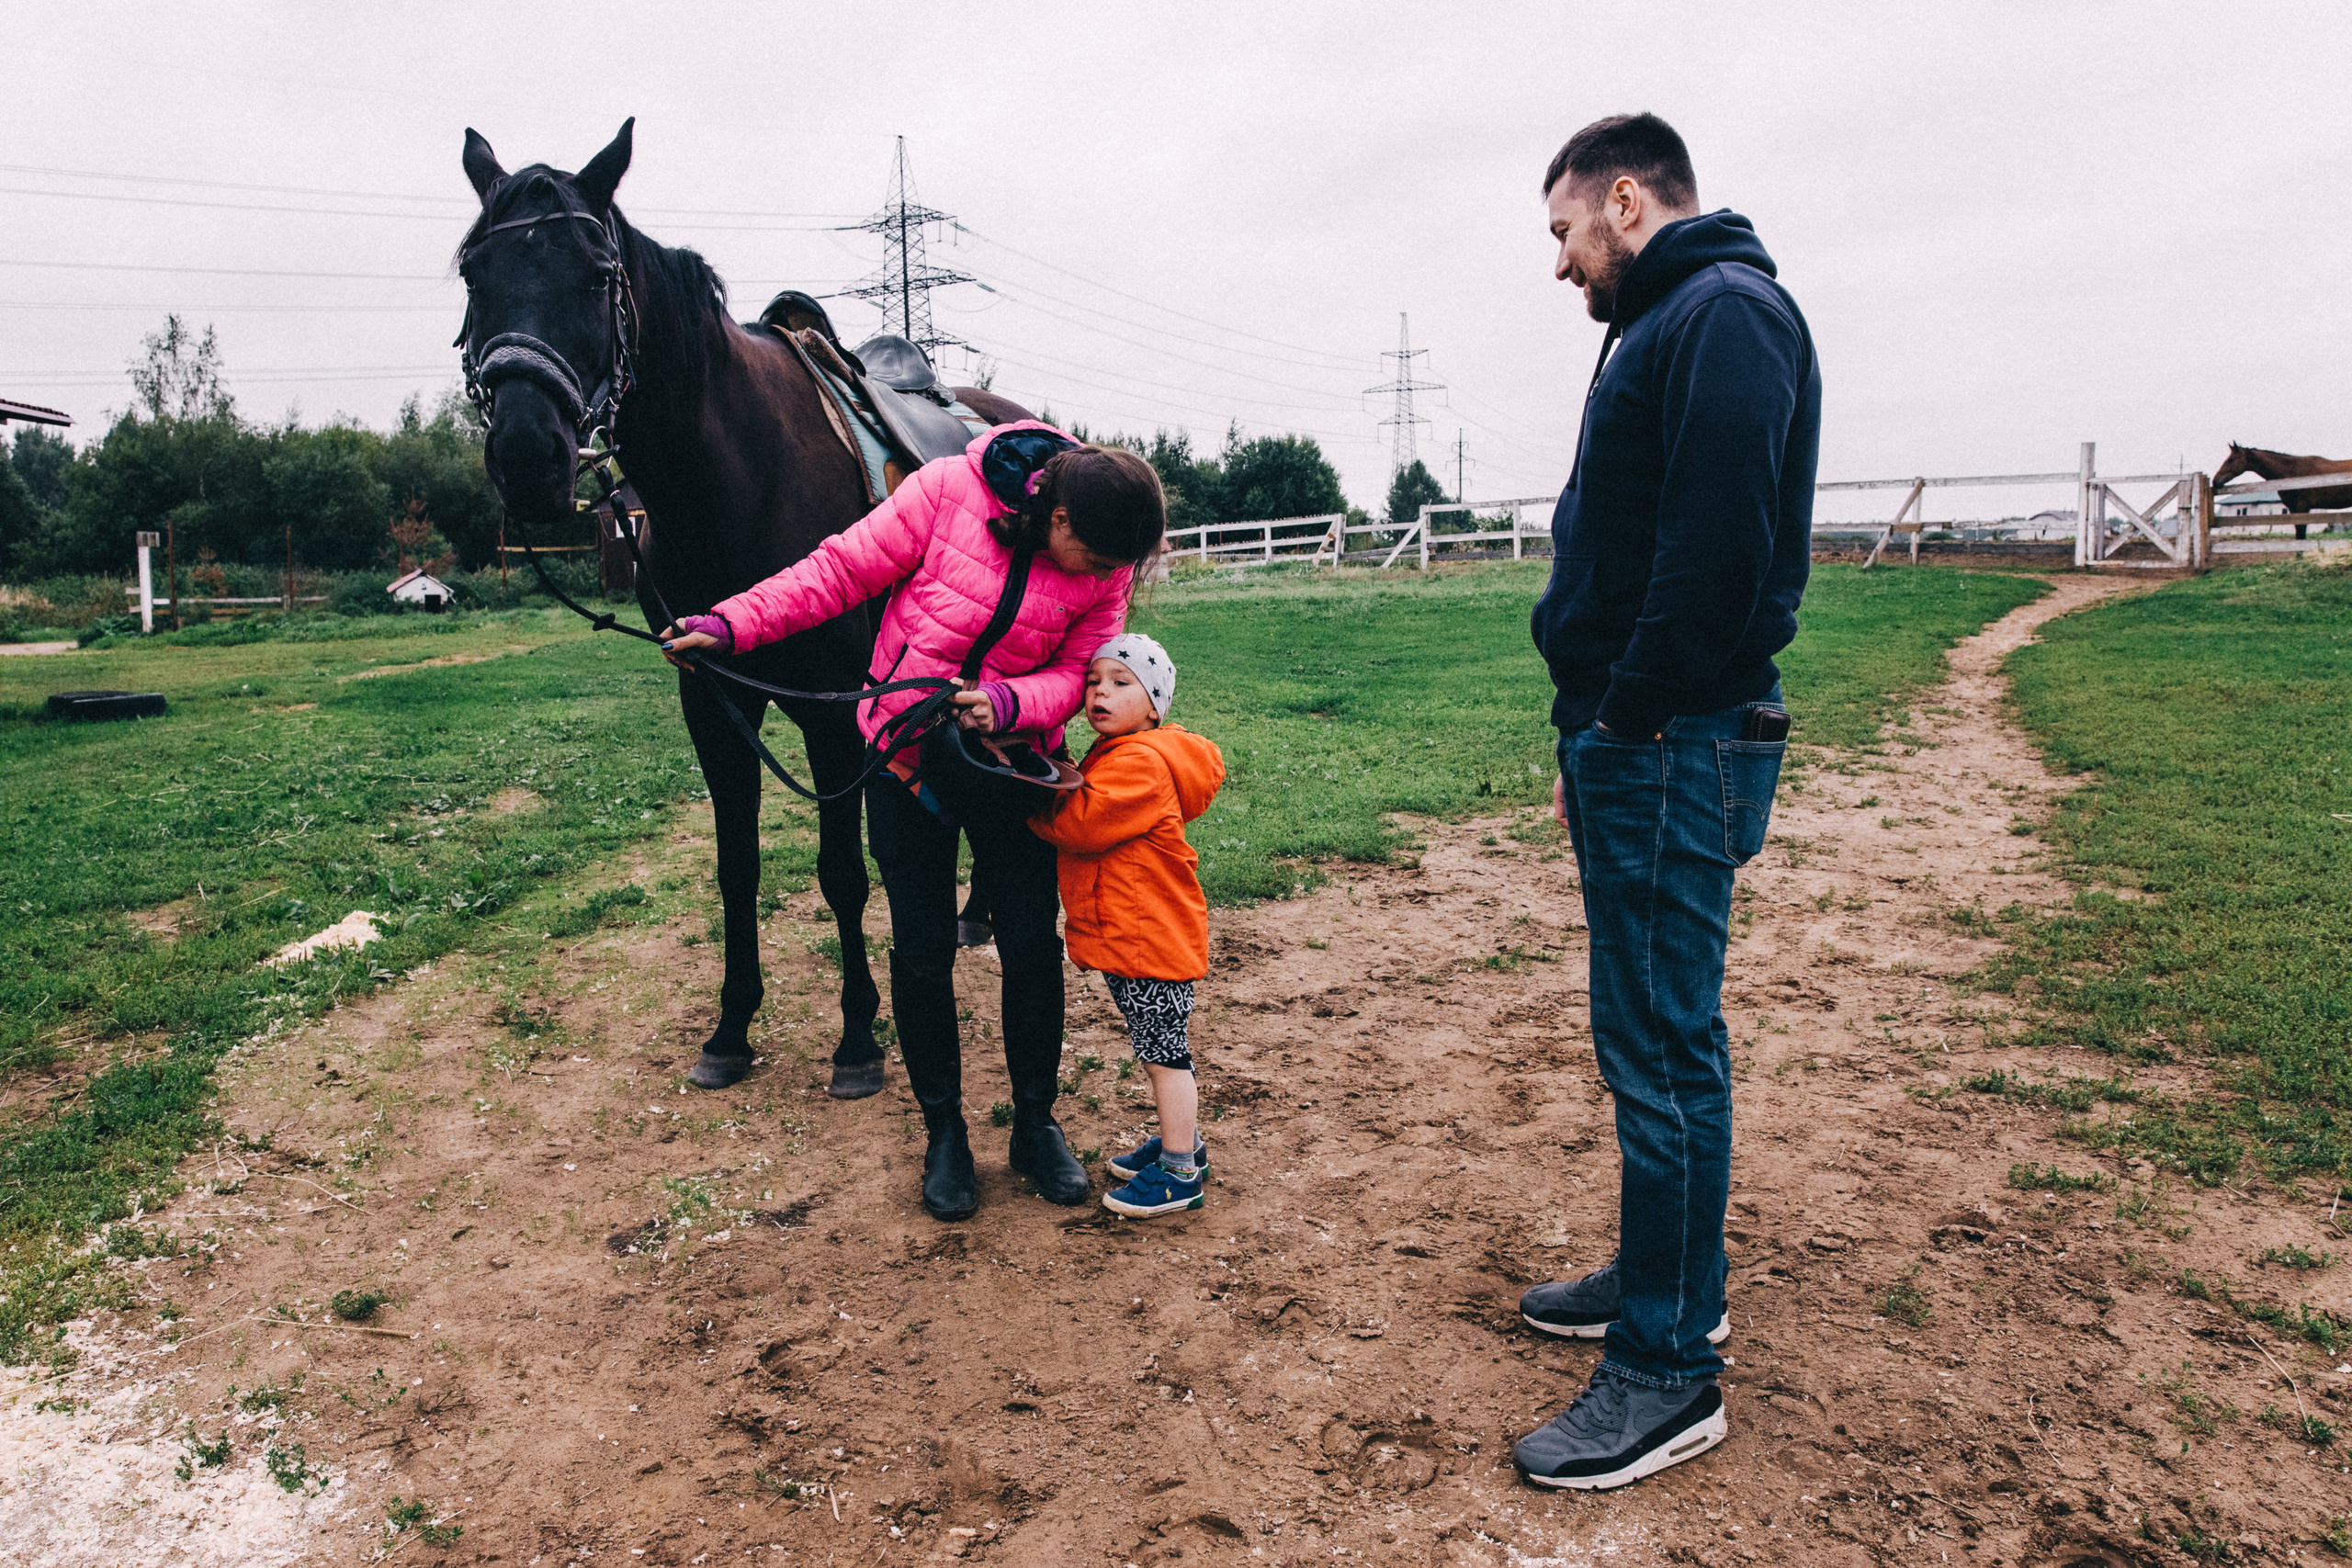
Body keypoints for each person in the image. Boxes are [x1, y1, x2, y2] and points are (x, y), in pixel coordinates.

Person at [1510, 113, 1821, 1491]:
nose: (1561, 262)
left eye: (1565, 230)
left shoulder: (1724, 314)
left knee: (1661, 1043)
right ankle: (1665, 1277)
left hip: (1672, 738)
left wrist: (1627, 716)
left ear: (1626, 200)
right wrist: (1592, 728)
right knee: (1654, 1026)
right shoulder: (1670, 320)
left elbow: (1715, 553)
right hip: (1639, 736)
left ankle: (1667, 1366)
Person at [660, 423, 1167, 1222]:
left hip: (1013, 764)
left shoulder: (1107, 561)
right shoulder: (943, 492)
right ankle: (945, 1135)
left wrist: (1005, 701)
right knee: (923, 952)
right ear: (1060, 518)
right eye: (1099, 561)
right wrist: (732, 625)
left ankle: (1036, 1126)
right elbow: (837, 571)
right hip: (904, 759)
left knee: (1031, 946)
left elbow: (1080, 671)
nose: (1107, 578)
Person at [1029, 634, 1226, 1219]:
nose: (1100, 693)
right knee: (1157, 1046)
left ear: (1155, 705)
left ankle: (1179, 1172)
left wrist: (1028, 798)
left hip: (1149, 940)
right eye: (1093, 682)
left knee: (1166, 1055)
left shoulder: (1140, 763)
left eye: (1121, 683)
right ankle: (1184, 1144)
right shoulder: (1121, 750)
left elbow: (1080, 825)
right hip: (1141, 935)